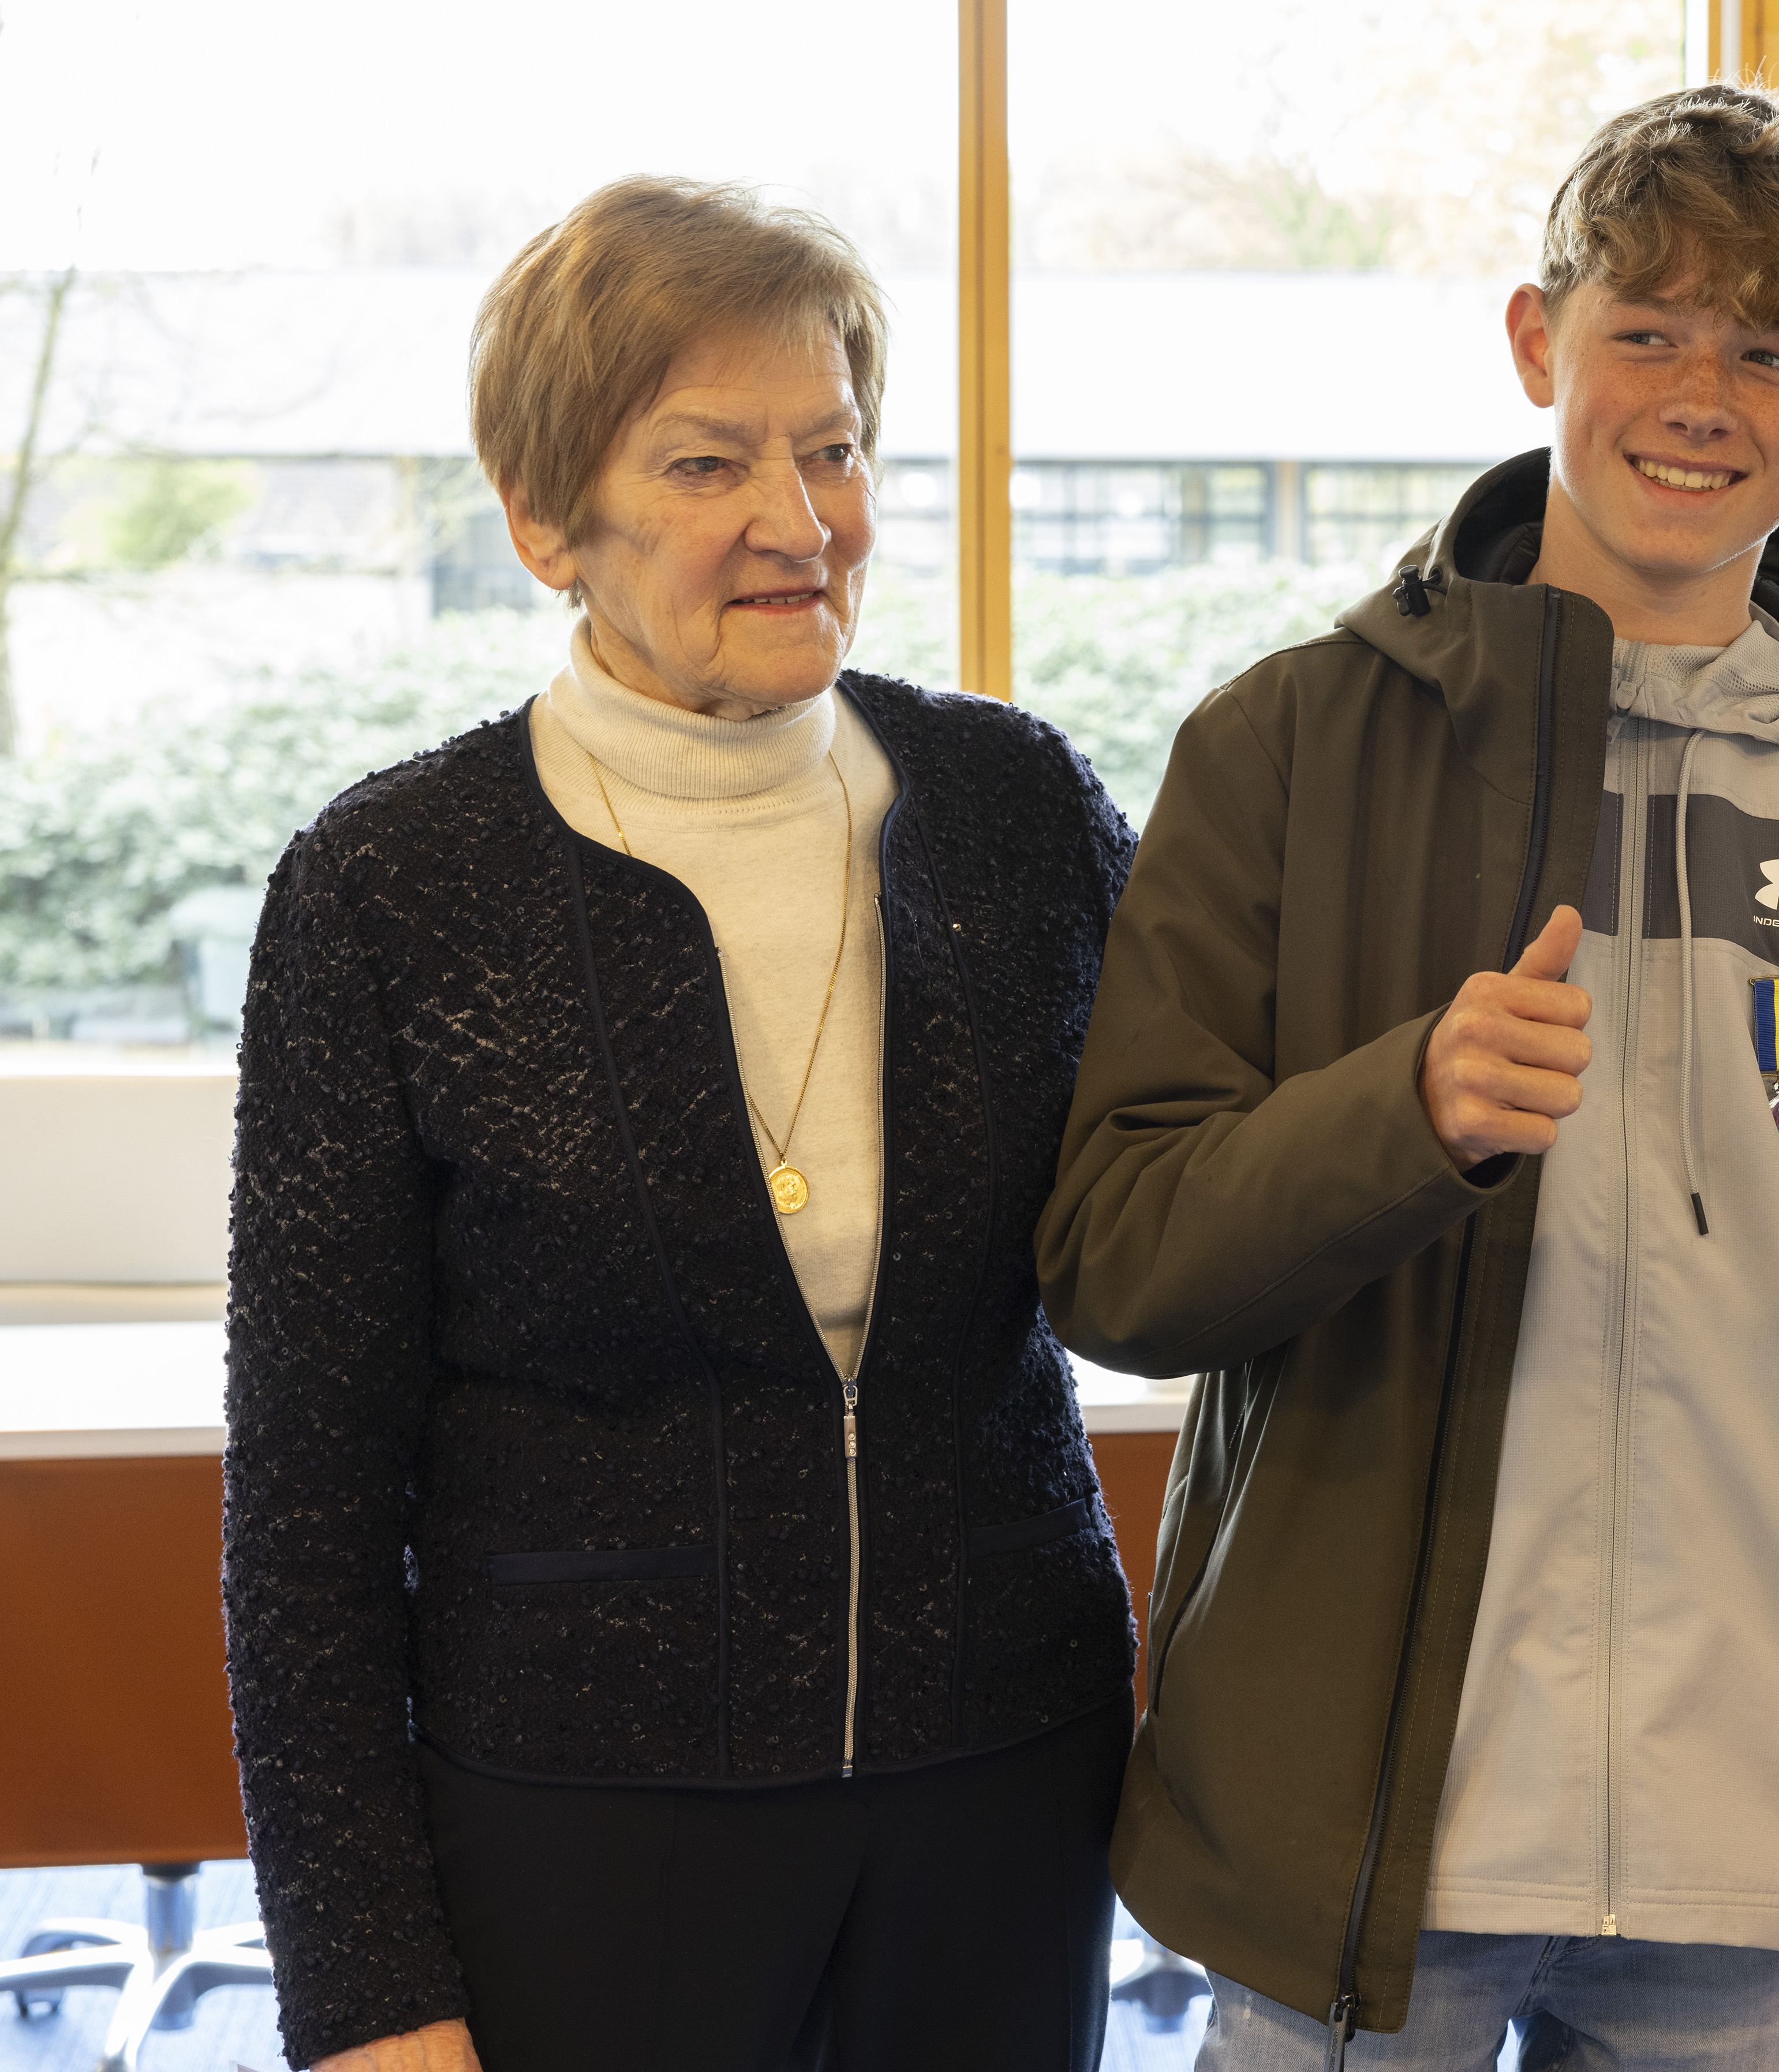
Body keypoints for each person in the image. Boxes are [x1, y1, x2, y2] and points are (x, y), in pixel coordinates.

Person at [1038, 80, 1779, 2070]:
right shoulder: (1288, 747)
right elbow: (1118, 1259)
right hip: (1372, 1839)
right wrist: (1406, 1120)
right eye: (1646, 328)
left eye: (1769, 348)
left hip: (1754, 1831)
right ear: (1537, 340)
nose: (1701, 393)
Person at [223, 177, 1142, 2072]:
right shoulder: (391, 883)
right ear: (547, 516)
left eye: (834, 449)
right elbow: (309, 1500)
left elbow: (1193, 1198)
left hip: (1004, 1781)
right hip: (580, 1822)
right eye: (712, 462)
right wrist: (364, 1983)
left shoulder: (1017, 806)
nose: (802, 523)